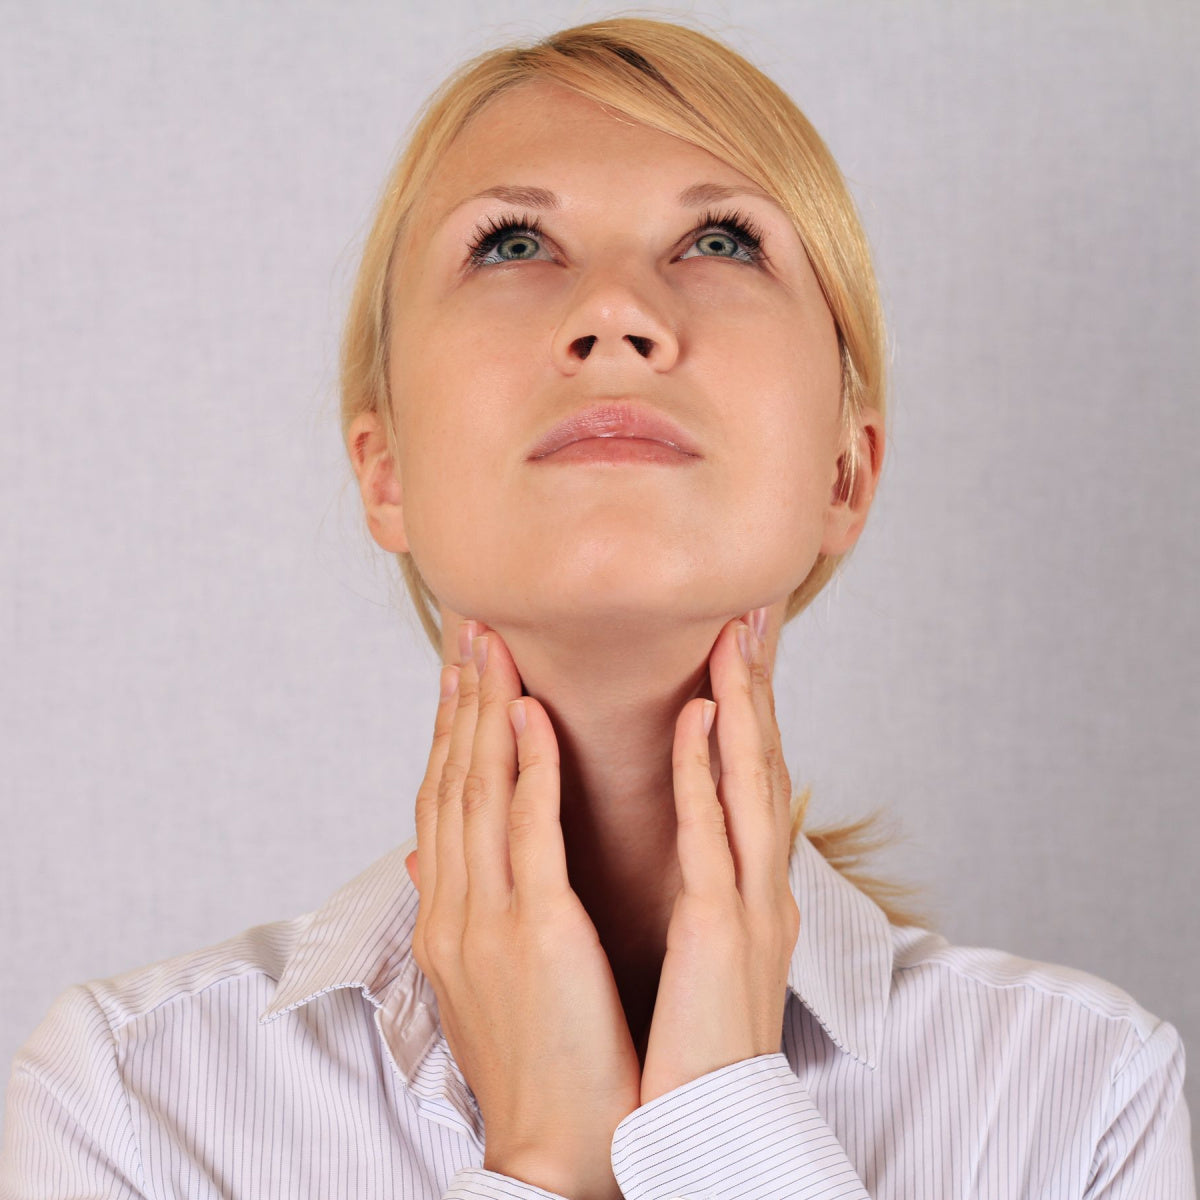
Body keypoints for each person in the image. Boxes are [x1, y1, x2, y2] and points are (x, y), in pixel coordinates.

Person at [0, 15, 1192, 1199]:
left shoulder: (1083, 1100)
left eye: (721, 240)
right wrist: (546, 1164)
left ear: (846, 474)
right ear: (386, 471)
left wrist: (717, 1115)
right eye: (513, 243)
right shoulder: (127, 1103)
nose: (616, 315)